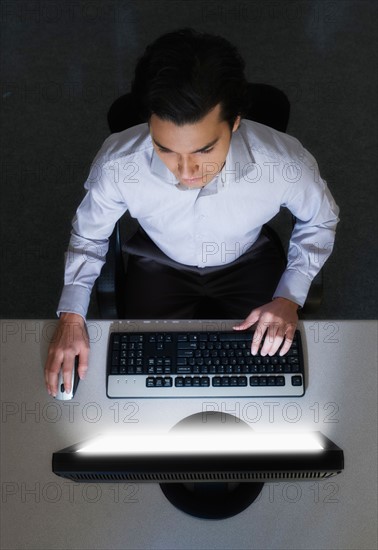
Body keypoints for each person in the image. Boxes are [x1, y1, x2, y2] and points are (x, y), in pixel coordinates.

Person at [44, 28, 339, 397]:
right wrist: (72, 316)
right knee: (144, 377)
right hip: (159, 262)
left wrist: (289, 296)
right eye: (165, 149)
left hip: (247, 259)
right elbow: (89, 235)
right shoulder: (119, 163)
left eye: (202, 150)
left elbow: (320, 219)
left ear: (234, 122)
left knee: (267, 379)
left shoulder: (284, 162)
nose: (185, 173)